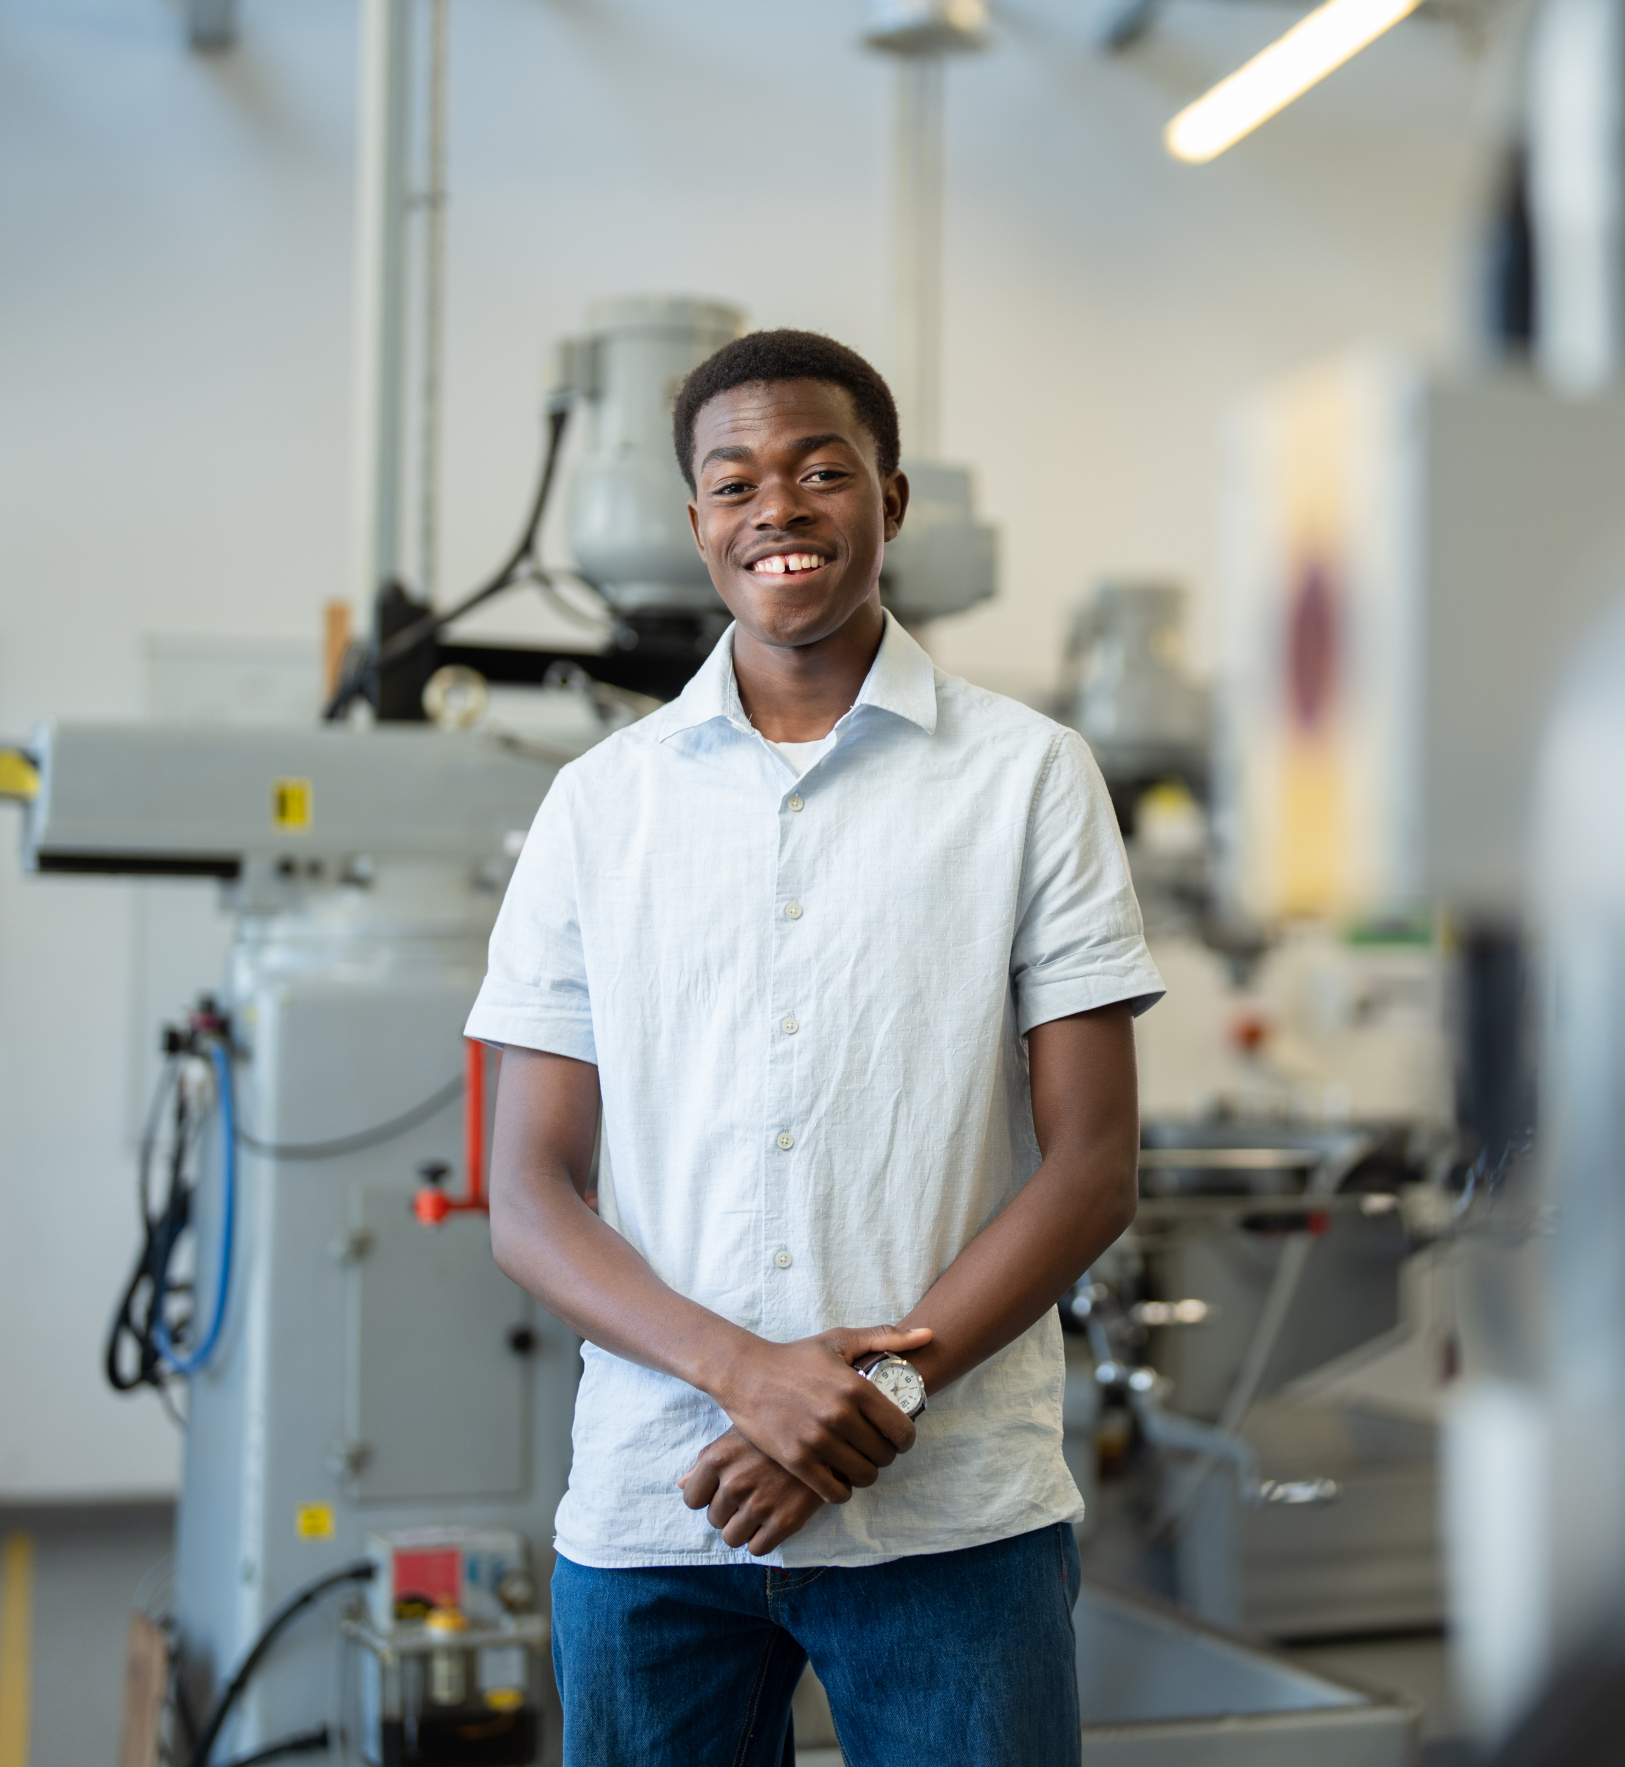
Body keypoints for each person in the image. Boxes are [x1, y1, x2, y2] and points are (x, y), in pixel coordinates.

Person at [469, 328, 1160, 1766]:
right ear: (696, 527)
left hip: (949, 1519)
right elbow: (528, 1194)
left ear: (889, 503)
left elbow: (1091, 1166)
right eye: (734, 482)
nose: (775, 505)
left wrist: (871, 1398)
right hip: (663, 1515)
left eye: (820, 469)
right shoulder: (600, 808)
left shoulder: (1027, 777)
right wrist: (748, 1376)